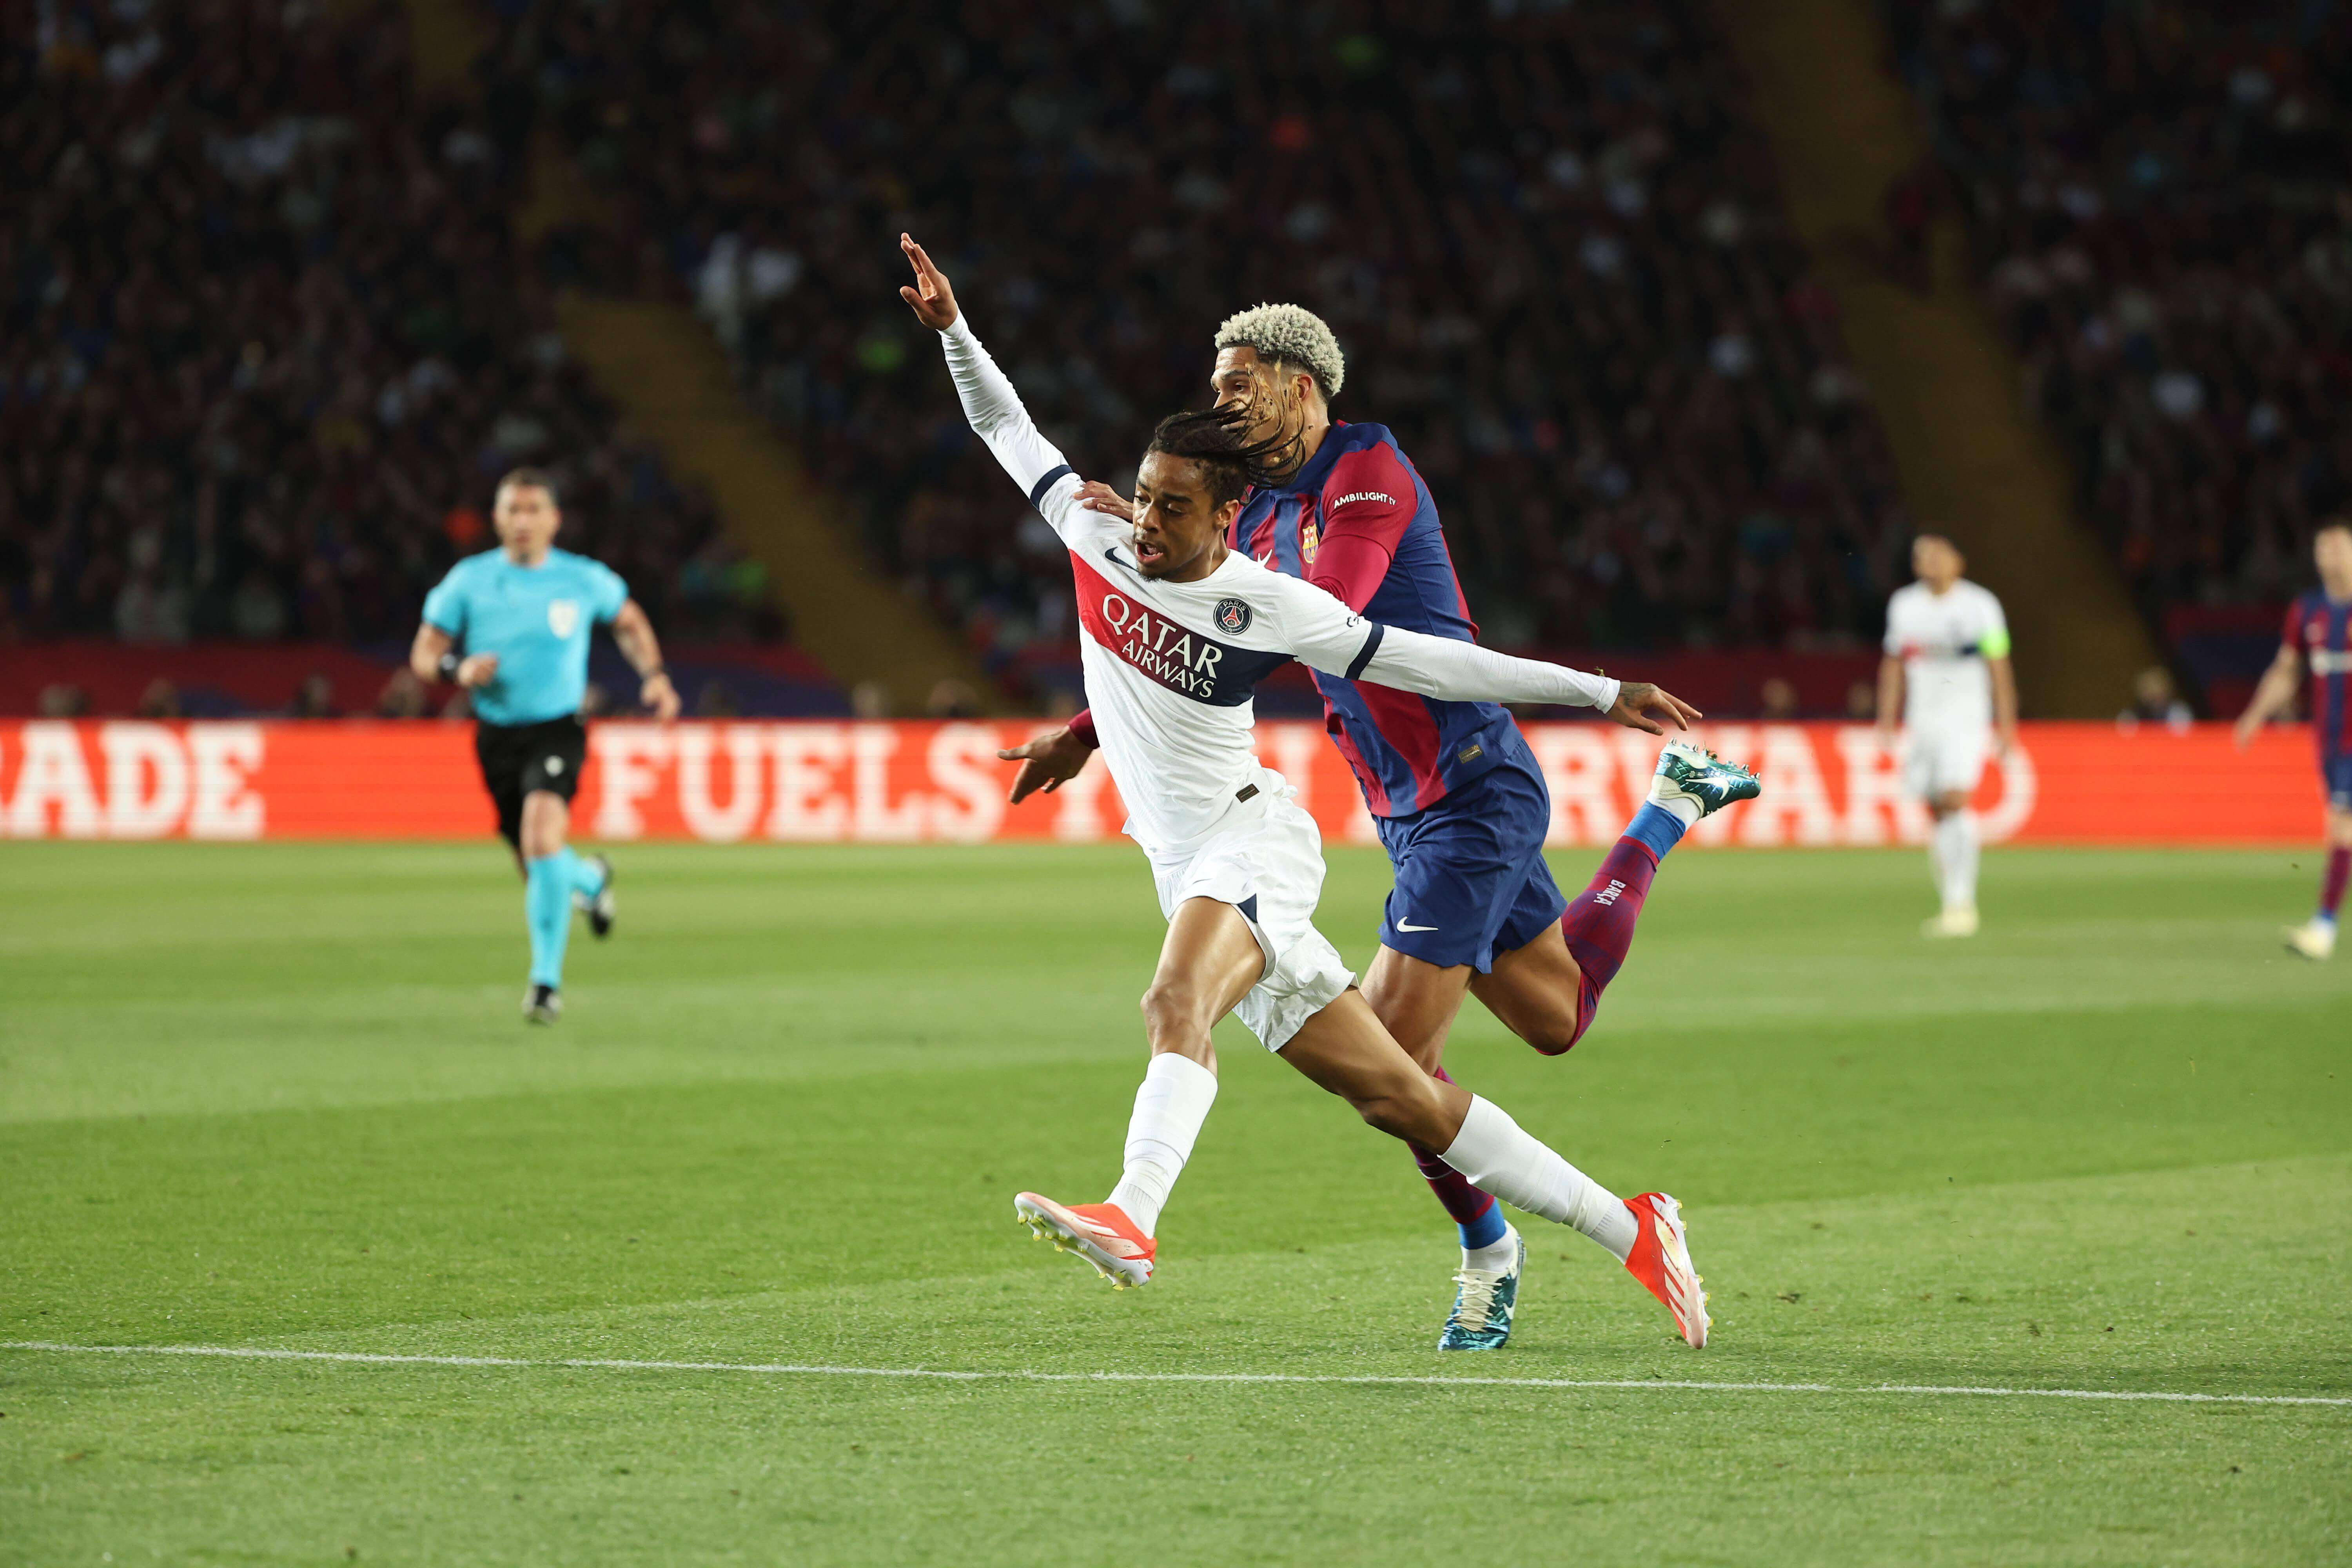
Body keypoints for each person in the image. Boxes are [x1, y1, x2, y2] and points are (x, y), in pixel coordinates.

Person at [902, 234, 1754, 1350]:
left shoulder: (1326, 522)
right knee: (1411, 1090)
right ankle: (1628, 1222)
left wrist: (1600, 693)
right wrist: (956, 331)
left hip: (1301, 832)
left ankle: (1135, 1214)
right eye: (1147, 500)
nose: (1147, 524)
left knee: (1180, 1005)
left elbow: (1425, 658)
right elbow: (1008, 429)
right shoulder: (1111, 530)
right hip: (1295, 829)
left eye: (1171, 507)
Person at [410, 468, 682, 1023]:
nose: (524, 521)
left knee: (540, 834)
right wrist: (456, 668)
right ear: (497, 519)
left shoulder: (583, 580)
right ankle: (590, 878)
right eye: (513, 510)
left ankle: (545, 985)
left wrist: (653, 675)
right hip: (496, 736)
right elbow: (424, 653)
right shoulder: (470, 581)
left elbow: (629, 622)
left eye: (535, 510)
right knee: (538, 864)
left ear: (555, 519)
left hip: (559, 727)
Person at [1876, 535, 2017, 938]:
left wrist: (2006, 724)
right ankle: (1951, 902)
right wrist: (1887, 719)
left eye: (1937, 554)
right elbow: (1894, 663)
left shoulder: (1980, 605)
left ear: (1959, 560)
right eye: (1921, 555)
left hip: (1967, 718)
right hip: (1923, 721)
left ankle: (1962, 901)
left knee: (1956, 799)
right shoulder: (1905, 605)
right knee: (1936, 809)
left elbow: (1999, 663)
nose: (1929, 562)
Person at [2233, 520, 2352, 960]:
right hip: (2330, 741)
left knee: (2341, 827)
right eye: (2324, 549)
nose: (2331, 557)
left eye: (2340, 548)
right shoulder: (2308, 612)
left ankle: (2324, 927)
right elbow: (2287, 670)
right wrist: (2254, 716)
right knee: (2340, 829)